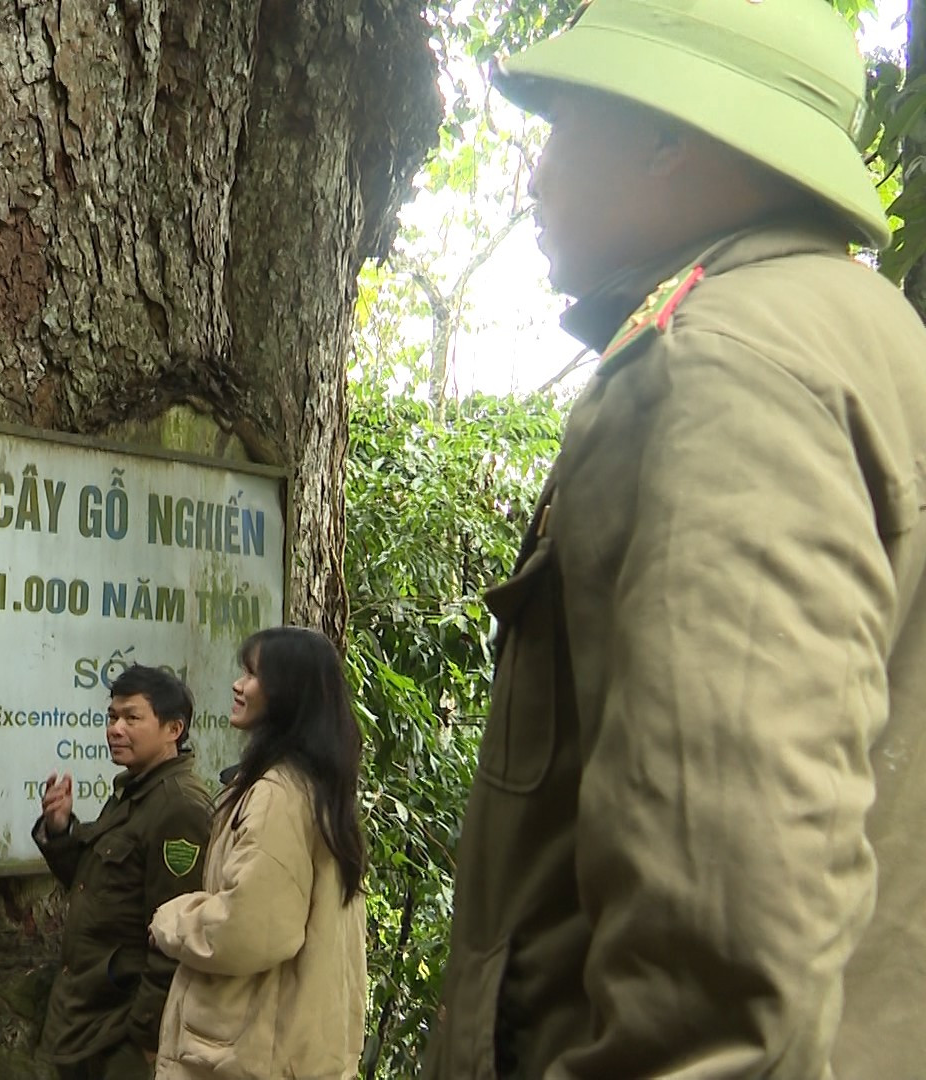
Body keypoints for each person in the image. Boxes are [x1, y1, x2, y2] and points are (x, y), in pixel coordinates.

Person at [427, 2, 926, 1077]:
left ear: (669, 137)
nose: (535, 174)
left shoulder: (721, 367)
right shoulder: (872, 342)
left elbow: (728, 946)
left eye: (561, 126)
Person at [149, 627, 368, 1080]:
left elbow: (252, 928)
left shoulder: (278, 794)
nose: (237, 684)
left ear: (287, 694)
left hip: (250, 1056)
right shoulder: (316, 786)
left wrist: (172, 921)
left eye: (252, 674)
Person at [33, 665, 215, 1080]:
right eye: (112, 717)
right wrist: (61, 829)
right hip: (84, 1017)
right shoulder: (133, 793)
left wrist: (148, 1036)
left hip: (123, 1035)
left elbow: (177, 936)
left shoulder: (180, 807)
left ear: (173, 728)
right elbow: (96, 885)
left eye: (132, 718)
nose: (116, 729)